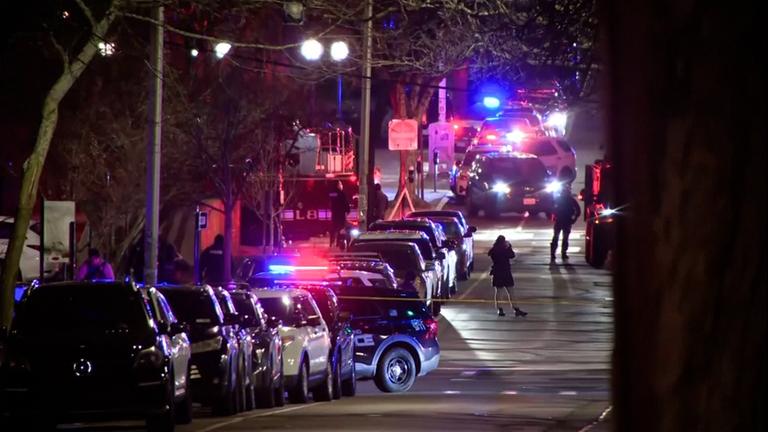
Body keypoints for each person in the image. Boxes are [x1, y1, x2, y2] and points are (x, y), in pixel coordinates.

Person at [487, 235, 526, 317]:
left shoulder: (494, 250)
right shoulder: (505, 249)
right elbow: (512, 255)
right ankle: (516, 309)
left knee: (499, 292)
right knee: (511, 291)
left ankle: (500, 309)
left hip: (497, 272)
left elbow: (490, 254)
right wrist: (509, 247)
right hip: (505, 272)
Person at [550, 185, 582, 261]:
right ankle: (561, 253)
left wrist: (554, 215)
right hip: (565, 221)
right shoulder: (570, 200)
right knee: (562, 238)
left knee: (558, 237)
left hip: (562, 221)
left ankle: (555, 253)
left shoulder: (559, 199)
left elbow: (551, 208)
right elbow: (578, 211)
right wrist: (574, 219)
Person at [329, 180, 350, 248]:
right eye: (340, 184)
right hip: (341, 215)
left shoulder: (332, 193)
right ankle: (338, 243)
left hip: (334, 214)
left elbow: (330, 202)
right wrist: (347, 210)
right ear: (338, 185)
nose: (342, 186)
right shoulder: (342, 194)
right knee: (341, 229)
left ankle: (332, 242)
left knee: (334, 228)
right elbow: (345, 204)